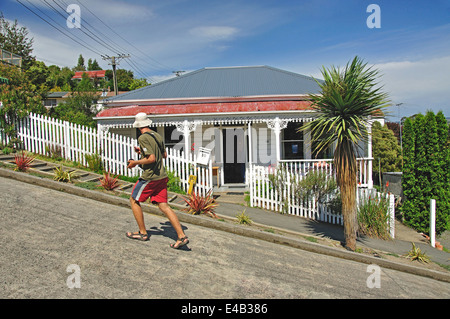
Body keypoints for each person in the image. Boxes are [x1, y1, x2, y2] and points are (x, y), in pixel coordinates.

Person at [126, 112, 189, 249]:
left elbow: (152, 159)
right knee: (163, 206)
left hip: (150, 177)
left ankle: (143, 233)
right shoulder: (157, 135)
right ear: (148, 123)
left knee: (134, 200)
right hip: (162, 176)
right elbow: (163, 155)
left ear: (138, 126)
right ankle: (181, 236)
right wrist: (141, 152)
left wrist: (135, 162)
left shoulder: (142, 137)